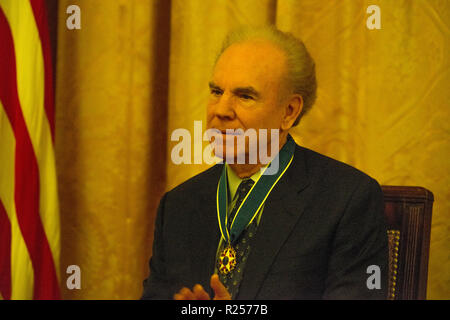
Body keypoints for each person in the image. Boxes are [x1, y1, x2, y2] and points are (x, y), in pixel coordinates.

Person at [141, 26, 388, 300]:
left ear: (289, 112)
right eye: (216, 91)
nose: (221, 110)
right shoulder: (178, 206)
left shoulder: (347, 201)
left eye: (245, 96)